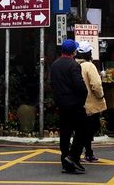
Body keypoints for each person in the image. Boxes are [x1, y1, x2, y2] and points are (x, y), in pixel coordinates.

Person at [49, 39, 88, 175]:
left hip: (61, 104)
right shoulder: (74, 65)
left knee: (65, 133)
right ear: (73, 52)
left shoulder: (54, 65)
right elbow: (79, 85)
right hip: (75, 104)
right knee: (83, 131)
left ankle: (65, 160)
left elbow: (52, 84)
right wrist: (84, 93)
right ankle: (73, 156)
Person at [75, 41, 106, 163]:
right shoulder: (89, 66)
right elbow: (96, 85)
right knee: (91, 128)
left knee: (83, 128)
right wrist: (101, 95)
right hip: (91, 102)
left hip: (78, 103)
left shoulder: (74, 65)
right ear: (89, 53)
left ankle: (88, 152)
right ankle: (80, 153)